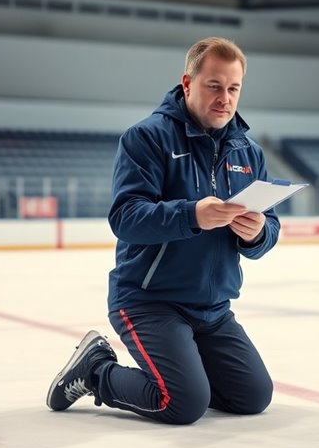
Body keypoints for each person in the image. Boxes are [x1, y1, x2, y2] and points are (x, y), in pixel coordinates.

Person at [46, 36, 279, 425]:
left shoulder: (248, 152)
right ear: (188, 84)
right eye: (214, 86)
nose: (225, 98)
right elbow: (125, 217)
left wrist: (256, 233)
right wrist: (191, 215)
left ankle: (188, 371)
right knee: (182, 402)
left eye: (233, 88)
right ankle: (96, 371)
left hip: (213, 309)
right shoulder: (147, 138)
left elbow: (266, 233)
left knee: (253, 396)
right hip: (149, 302)